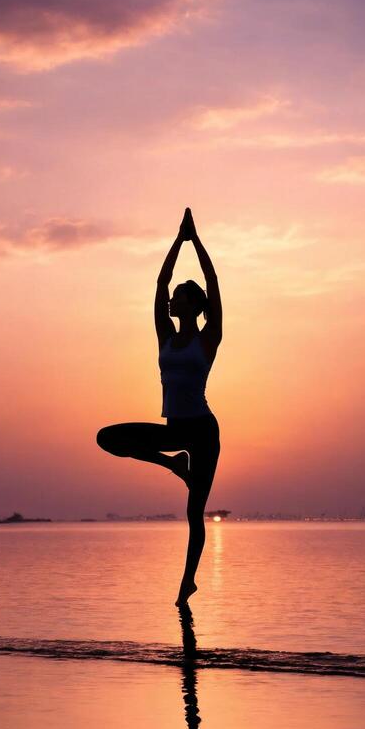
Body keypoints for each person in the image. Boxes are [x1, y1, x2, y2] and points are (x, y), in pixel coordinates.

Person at [96, 208, 223, 605]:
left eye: (178, 297)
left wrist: (195, 240)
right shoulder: (164, 335)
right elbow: (160, 280)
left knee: (194, 512)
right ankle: (173, 465)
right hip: (174, 429)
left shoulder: (209, 338)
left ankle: (187, 584)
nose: (170, 300)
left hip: (202, 432)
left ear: (193, 305)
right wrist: (177, 240)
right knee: (108, 438)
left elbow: (214, 282)